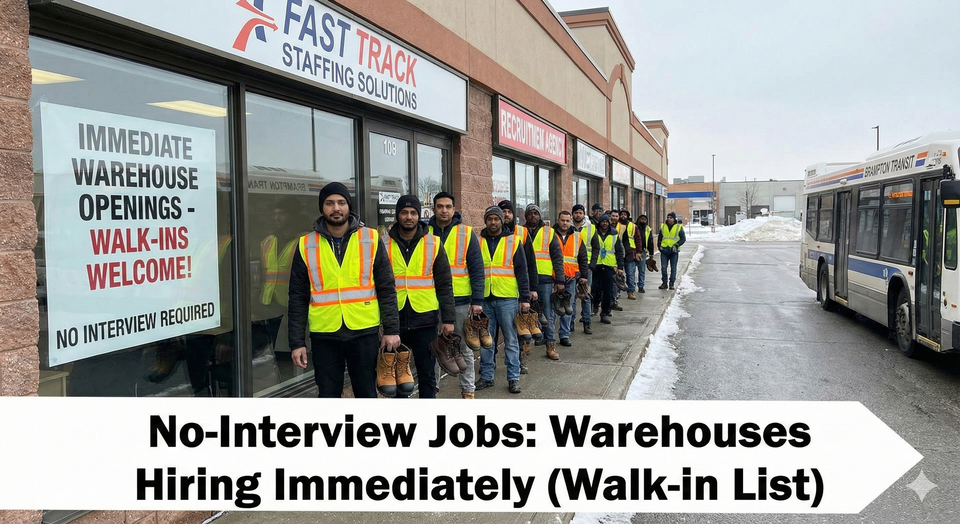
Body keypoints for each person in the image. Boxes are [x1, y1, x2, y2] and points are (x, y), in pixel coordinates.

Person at [287, 182, 400, 398]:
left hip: (364, 331)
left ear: (349, 206)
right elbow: (297, 298)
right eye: (329, 203)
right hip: (325, 334)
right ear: (322, 208)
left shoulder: (371, 238)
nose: (336, 208)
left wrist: (392, 330)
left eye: (341, 202)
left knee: (366, 393)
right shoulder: (305, 244)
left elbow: (386, 288)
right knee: (328, 395)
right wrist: (297, 343)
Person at [384, 195, 456, 398]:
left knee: (426, 375)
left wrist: (448, 319)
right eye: (404, 212)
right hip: (394, 320)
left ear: (420, 215)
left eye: (413, 213)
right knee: (398, 377)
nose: (409, 217)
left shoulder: (433, 243)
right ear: (398, 215)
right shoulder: (384, 243)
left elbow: (444, 284)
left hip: (425, 319)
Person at [428, 191, 485, 399]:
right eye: (440, 206)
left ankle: (468, 391)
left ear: (454, 209)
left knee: (463, 348)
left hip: (460, 301)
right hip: (430, 300)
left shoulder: (466, 233)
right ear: (434, 209)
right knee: (433, 348)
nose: (444, 210)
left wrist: (477, 300)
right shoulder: (424, 232)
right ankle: (432, 389)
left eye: (448, 207)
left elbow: (477, 269)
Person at [476, 206, 531, 394]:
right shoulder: (478, 241)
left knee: (511, 340)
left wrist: (525, 299)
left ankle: (513, 377)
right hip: (484, 299)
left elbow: (522, 272)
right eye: (489, 219)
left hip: (507, 298)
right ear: (485, 221)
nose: (493, 222)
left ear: (502, 220)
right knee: (486, 340)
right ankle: (486, 376)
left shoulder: (514, 241)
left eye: (496, 219)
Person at [524, 203, 565, 360]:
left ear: (540, 215)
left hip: (545, 279)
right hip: (525, 280)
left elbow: (557, 258)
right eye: (530, 213)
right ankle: (526, 343)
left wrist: (559, 280)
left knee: (547, 314)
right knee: (525, 313)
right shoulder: (520, 232)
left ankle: (550, 345)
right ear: (526, 216)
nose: (533, 215)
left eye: (536, 213)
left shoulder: (549, 232)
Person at [554, 210, 589, 346]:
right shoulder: (551, 235)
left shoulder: (576, 237)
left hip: (570, 277)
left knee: (568, 307)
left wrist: (584, 276)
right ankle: (549, 337)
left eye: (567, 221)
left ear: (571, 221)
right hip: (554, 277)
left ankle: (564, 334)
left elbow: (583, 258)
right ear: (558, 220)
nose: (565, 223)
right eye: (562, 220)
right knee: (552, 309)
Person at [589, 214, 624, 324]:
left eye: (606, 222)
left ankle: (604, 313)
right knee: (593, 289)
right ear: (599, 222)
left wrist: (620, 267)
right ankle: (593, 308)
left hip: (609, 267)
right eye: (602, 221)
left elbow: (619, 251)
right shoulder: (593, 233)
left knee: (607, 292)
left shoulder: (614, 234)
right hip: (596, 265)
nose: (604, 223)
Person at [577, 203, 602, 333]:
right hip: (571, 267)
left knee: (586, 295)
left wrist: (592, 265)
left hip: (586, 267)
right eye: (576, 213)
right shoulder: (567, 227)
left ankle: (587, 323)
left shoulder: (591, 228)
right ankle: (570, 324)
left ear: (584, 214)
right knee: (570, 297)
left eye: (580, 213)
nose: (578, 215)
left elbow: (596, 248)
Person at [658, 211, 686, 290]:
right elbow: (660, 238)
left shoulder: (678, 227)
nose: (669, 219)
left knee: (673, 268)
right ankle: (664, 283)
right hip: (664, 250)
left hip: (674, 251)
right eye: (668, 217)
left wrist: (676, 245)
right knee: (664, 268)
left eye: (671, 217)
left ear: (674, 219)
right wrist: (659, 247)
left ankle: (671, 283)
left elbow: (683, 238)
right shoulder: (663, 226)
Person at [618, 209, 642, 300]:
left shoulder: (633, 226)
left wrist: (638, 252)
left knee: (630, 273)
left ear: (628, 216)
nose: (623, 216)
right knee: (618, 274)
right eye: (621, 214)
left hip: (630, 252)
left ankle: (630, 291)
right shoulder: (616, 225)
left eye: (625, 214)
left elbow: (638, 239)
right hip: (618, 253)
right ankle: (617, 292)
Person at [635, 213, 655, 294]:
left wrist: (651, 254)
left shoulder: (647, 229)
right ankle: (631, 286)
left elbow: (650, 241)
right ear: (638, 219)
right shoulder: (634, 226)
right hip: (633, 251)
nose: (643, 221)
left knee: (641, 270)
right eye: (641, 219)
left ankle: (641, 286)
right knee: (631, 271)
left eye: (645, 219)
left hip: (643, 251)